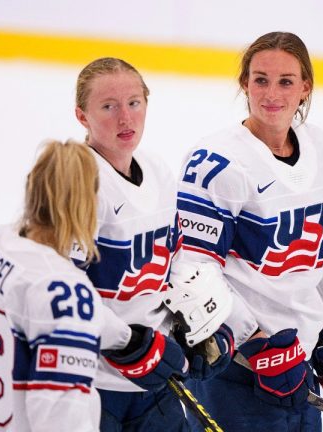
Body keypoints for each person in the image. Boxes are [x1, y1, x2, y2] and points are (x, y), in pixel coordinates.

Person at [175, 31, 323, 431]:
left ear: (305, 87)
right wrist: (256, 341)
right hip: (233, 370)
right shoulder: (217, 162)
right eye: (260, 79)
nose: (272, 93)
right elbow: (194, 268)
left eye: (286, 81)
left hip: (299, 367)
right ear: (244, 84)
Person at [0, 140, 131, 431]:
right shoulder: (68, 294)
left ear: (33, 187)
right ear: (87, 204)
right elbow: (62, 421)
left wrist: (127, 338)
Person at [73, 57, 192, 431]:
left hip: (155, 378)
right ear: (82, 116)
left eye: (134, 103)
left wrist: (198, 324)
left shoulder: (156, 170)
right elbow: (60, 289)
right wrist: (125, 341)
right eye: (109, 106)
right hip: (90, 385)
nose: (125, 118)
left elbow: (175, 261)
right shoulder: (77, 183)